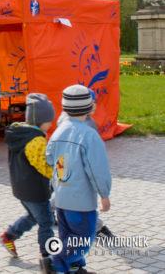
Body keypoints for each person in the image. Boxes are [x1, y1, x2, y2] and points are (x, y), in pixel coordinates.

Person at [44, 85, 112, 274]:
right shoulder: (89, 135)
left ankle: (74, 269)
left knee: (68, 237)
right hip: (81, 201)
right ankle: (54, 263)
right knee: (83, 239)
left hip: (61, 198)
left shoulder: (58, 131)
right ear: (89, 108)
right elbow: (98, 169)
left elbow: (49, 159)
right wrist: (104, 194)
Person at [0, 93, 55, 262]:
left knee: (33, 215)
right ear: (40, 121)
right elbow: (44, 166)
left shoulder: (20, 134)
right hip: (35, 190)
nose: (51, 124)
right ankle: (48, 256)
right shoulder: (36, 141)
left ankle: (9, 236)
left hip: (21, 187)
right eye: (49, 121)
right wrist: (61, 175)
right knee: (46, 221)